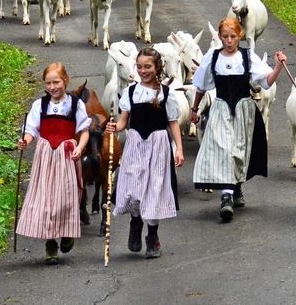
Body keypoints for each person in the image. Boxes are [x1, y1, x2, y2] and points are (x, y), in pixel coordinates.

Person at [189, 17, 286, 222]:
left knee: (239, 152)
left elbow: (266, 82)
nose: (229, 40)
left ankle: (236, 186)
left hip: (243, 109)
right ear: (220, 37)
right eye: (225, 36)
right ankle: (226, 197)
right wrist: (194, 109)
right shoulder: (213, 58)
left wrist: (278, 67)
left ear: (239, 36)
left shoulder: (247, 57)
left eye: (233, 36)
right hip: (221, 109)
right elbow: (201, 86)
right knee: (224, 149)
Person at [106, 48, 184, 259]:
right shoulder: (131, 92)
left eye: (147, 66)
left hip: (158, 146)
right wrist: (115, 128)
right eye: (139, 67)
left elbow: (173, 123)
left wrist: (179, 148)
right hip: (135, 145)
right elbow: (123, 121)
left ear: (157, 67)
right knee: (132, 186)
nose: (142, 71)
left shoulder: (166, 93)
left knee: (154, 189)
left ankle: (152, 236)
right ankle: (135, 221)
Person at [16, 63, 91, 265]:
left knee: (65, 197)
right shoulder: (39, 105)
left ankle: (66, 233)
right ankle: (50, 243)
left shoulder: (75, 105)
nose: (52, 87)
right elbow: (31, 130)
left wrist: (79, 148)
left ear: (65, 81)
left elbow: (84, 131)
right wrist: (25, 141)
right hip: (46, 156)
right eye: (48, 83)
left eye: (56, 82)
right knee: (46, 199)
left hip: (67, 154)